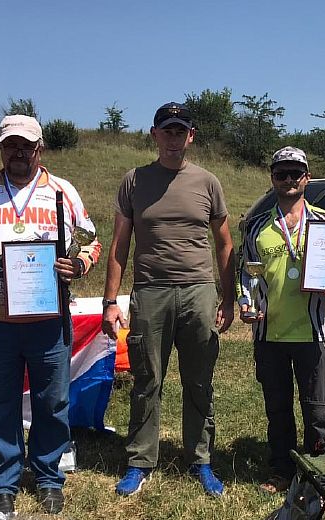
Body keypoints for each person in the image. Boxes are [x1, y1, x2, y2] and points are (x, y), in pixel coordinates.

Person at [0, 115, 101, 515]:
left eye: (26, 145)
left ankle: (49, 477)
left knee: (52, 402)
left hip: (48, 322)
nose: (18, 152)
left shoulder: (63, 192)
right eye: (10, 144)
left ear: (40, 149)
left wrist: (80, 265)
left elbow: (92, 241)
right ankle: (3, 480)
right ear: (0, 148)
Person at [101, 102, 235, 497]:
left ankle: (201, 459)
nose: (174, 139)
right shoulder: (134, 181)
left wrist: (227, 298)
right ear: (154, 135)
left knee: (200, 381)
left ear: (190, 137)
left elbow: (224, 244)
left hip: (198, 290)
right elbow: (119, 244)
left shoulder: (208, 182)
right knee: (146, 380)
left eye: (181, 131)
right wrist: (111, 300)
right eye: (167, 131)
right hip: (151, 291)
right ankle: (141, 461)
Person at [239, 147, 325, 494]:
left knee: (317, 410)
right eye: (281, 173)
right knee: (278, 410)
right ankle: (282, 469)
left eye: (296, 173)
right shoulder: (255, 228)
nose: (289, 179)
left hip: (313, 332)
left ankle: (319, 473)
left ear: (307, 178)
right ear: (272, 178)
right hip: (269, 333)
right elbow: (245, 276)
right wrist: (244, 302)